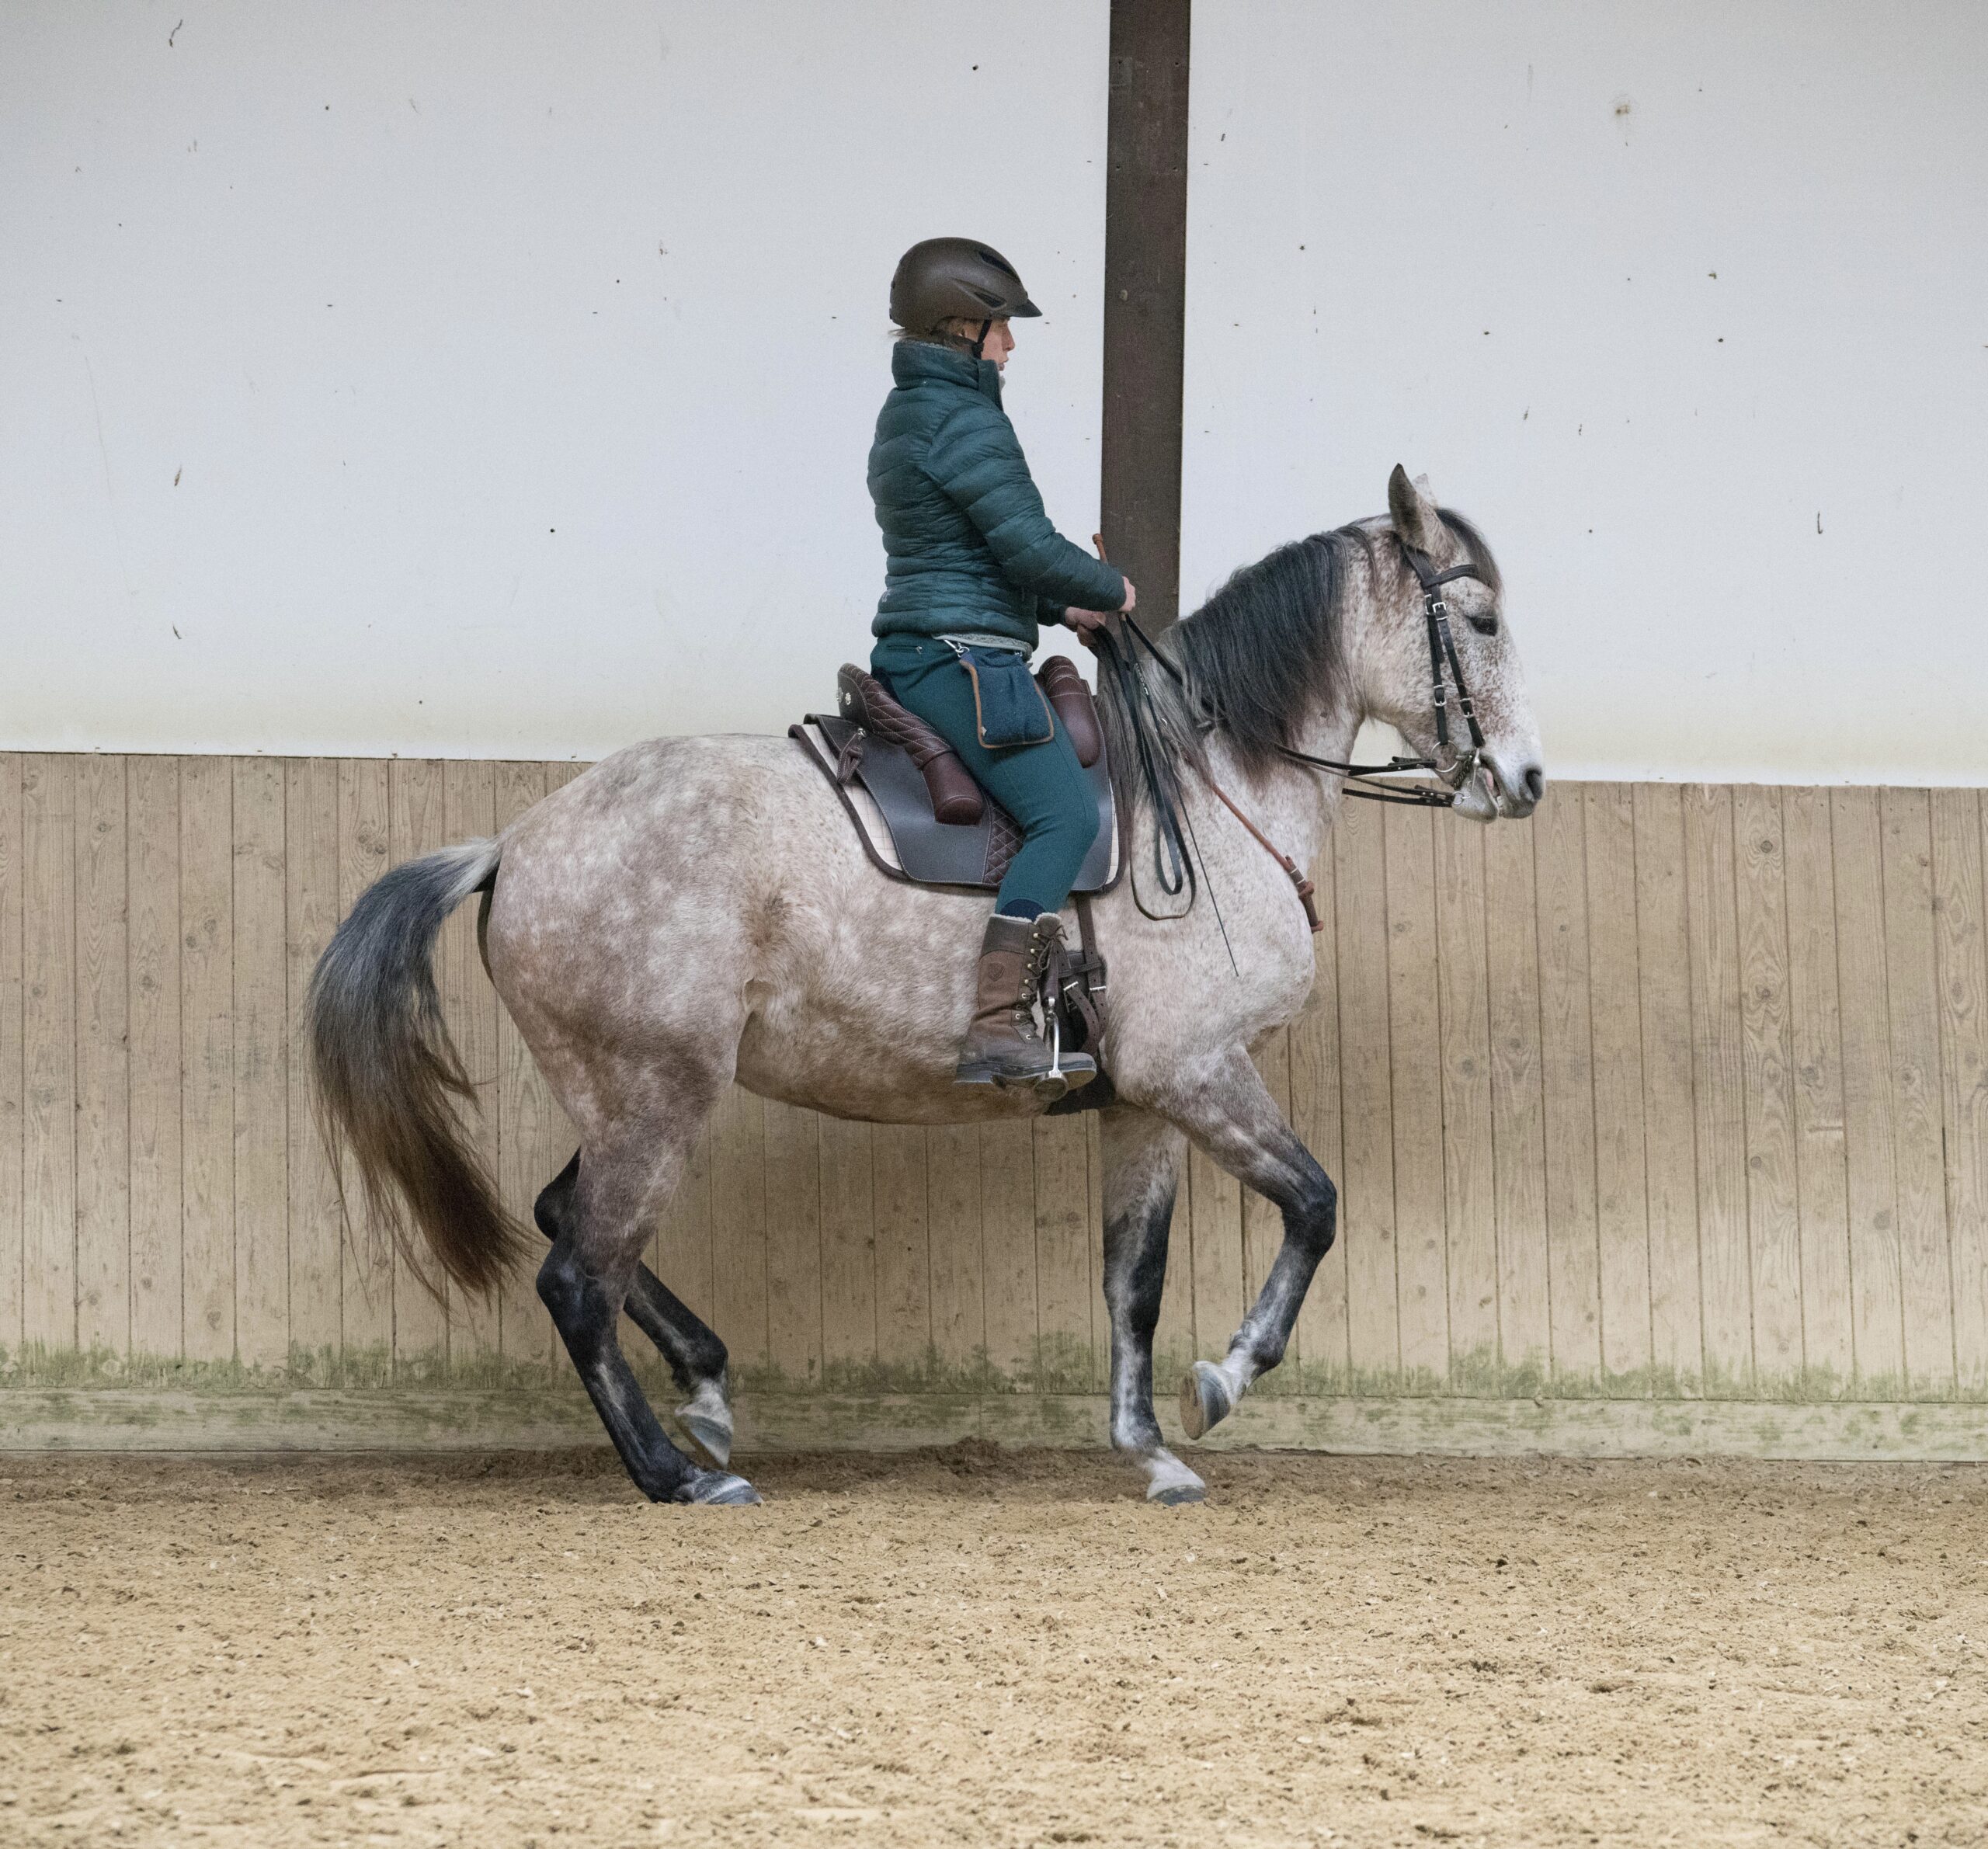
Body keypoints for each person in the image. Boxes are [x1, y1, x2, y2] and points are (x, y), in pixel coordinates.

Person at [868, 238, 1136, 1092]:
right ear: (960, 326)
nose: (1010, 346)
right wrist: (1110, 587)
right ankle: (995, 1026)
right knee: (1065, 813)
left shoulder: (914, 411)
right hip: (960, 659)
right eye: (1000, 329)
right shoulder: (966, 418)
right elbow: (1024, 543)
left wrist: (1063, 609)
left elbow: (976, 560)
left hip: (939, 637)